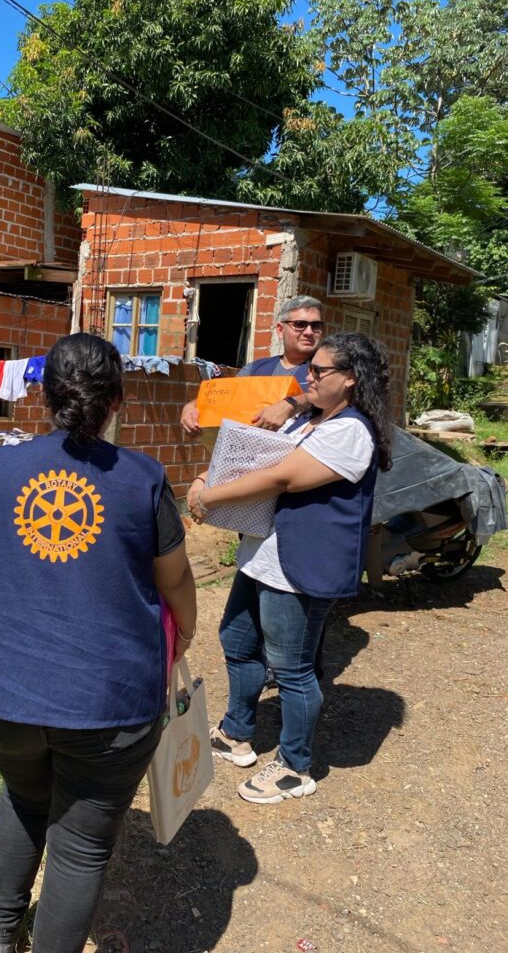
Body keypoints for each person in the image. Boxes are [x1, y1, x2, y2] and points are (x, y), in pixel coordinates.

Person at [0, 333, 197, 953]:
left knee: (23, 796)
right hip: (110, 705)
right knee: (81, 847)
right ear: (117, 400)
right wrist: (187, 633)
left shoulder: (0, 470)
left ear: (44, 396)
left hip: (6, 693)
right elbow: (174, 580)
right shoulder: (143, 479)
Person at [187, 333, 392, 805]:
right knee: (237, 641)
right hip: (264, 558)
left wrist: (209, 497)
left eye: (319, 372)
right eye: (310, 369)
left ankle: (295, 766)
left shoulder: (351, 432)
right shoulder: (311, 419)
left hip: (300, 568)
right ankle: (237, 733)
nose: (308, 377)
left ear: (351, 380)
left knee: (293, 669)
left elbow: (282, 476)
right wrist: (206, 475)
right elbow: (251, 455)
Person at [180, 295, 324, 435]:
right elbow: (227, 397)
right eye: (300, 324)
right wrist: (192, 406)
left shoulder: (332, 368)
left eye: (316, 325)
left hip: (302, 454)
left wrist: (290, 405)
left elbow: (338, 396)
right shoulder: (256, 368)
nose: (309, 332)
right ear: (280, 330)